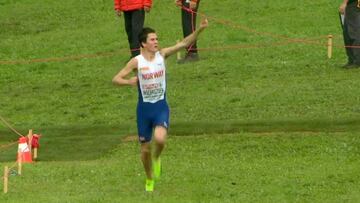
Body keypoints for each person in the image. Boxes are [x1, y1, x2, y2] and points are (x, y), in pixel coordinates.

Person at [112, 18, 208, 192]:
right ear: (143, 43)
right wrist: (129, 82)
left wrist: (200, 29)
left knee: (160, 139)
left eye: (157, 39)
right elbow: (116, 79)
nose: (156, 42)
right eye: (152, 40)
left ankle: (157, 159)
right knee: (144, 151)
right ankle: (149, 178)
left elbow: (185, 42)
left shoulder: (162, 55)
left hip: (160, 107)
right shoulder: (136, 61)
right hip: (143, 110)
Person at [339, 0, 360, 68]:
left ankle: (357, 61)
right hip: (351, 5)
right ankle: (351, 60)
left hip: (353, 4)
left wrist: (345, 2)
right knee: (347, 32)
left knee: (354, 33)